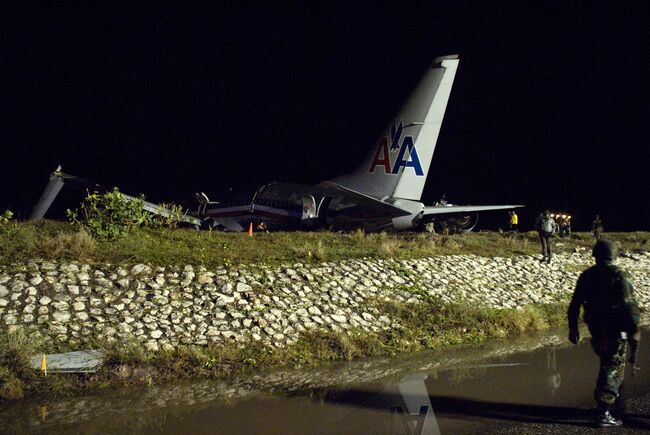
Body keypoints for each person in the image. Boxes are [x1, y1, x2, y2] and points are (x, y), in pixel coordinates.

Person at [567, 240, 641, 428]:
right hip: (615, 328)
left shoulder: (588, 275)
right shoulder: (619, 275)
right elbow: (629, 305)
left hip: (595, 327)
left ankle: (609, 401)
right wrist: (635, 330)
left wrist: (573, 328)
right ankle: (604, 412)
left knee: (607, 361)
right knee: (612, 364)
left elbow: (574, 304)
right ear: (614, 255)